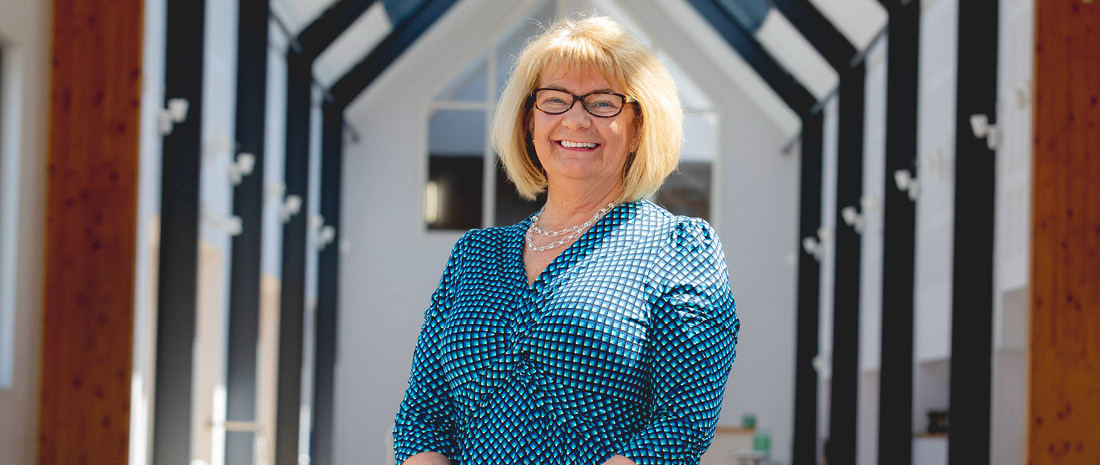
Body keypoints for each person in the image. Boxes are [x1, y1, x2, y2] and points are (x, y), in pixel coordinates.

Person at [393, 14, 739, 465]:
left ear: (638, 126)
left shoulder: (680, 249)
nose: (576, 120)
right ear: (529, 122)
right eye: (555, 100)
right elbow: (423, 417)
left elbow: (679, 427)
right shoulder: (474, 255)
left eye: (602, 103)